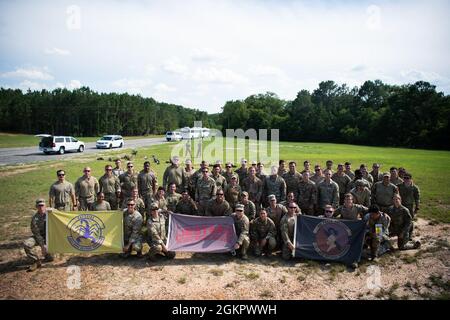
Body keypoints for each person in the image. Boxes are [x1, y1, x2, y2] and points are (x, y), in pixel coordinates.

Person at [23, 199, 54, 271]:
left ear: (45, 206)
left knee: (51, 258)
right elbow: (37, 234)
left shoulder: (51, 212)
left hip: (50, 236)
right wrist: (43, 246)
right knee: (26, 244)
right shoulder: (35, 219)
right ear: (36, 207)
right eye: (39, 206)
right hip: (40, 236)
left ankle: (48, 254)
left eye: (42, 206)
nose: (41, 208)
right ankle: (36, 261)